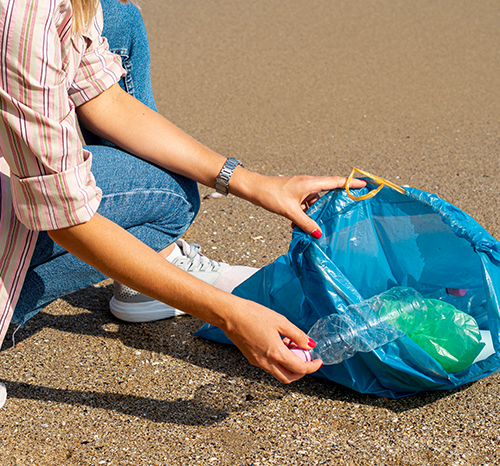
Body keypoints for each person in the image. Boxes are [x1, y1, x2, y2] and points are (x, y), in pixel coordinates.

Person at [0, 0, 365, 408]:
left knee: (118, 20)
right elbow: (65, 216)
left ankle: (146, 270)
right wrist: (228, 313)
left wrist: (250, 182)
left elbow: (99, 96)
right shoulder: (25, 14)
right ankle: (145, 269)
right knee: (171, 196)